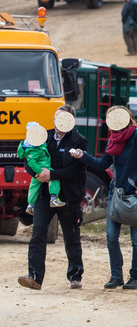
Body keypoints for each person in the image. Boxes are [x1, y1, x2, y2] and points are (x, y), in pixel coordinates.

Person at [18, 105, 88, 291]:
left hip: (68, 196)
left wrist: (53, 175)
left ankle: (75, 275)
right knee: (38, 233)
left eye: (62, 119)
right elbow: (27, 158)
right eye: (56, 118)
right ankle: (34, 277)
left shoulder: (79, 141)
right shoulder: (44, 136)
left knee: (71, 237)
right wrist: (37, 173)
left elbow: (77, 170)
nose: (57, 123)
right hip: (44, 195)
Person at [72, 106, 137, 290]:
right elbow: (102, 164)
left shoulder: (135, 136)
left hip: (135, 194)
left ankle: (135, 276)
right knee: (110, 237)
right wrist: (82, 155)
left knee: (136, 240)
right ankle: (116, 276)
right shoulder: (113, 140)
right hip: (116, 193)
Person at [17, 122, 66, 215]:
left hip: (38, 172)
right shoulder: (34, 148)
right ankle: (54, 198)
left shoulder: (28, 145)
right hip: (44, 168)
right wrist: (40, 171)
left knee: (33, 186)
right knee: (54, 179)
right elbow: (31, 162)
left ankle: (30, 205)